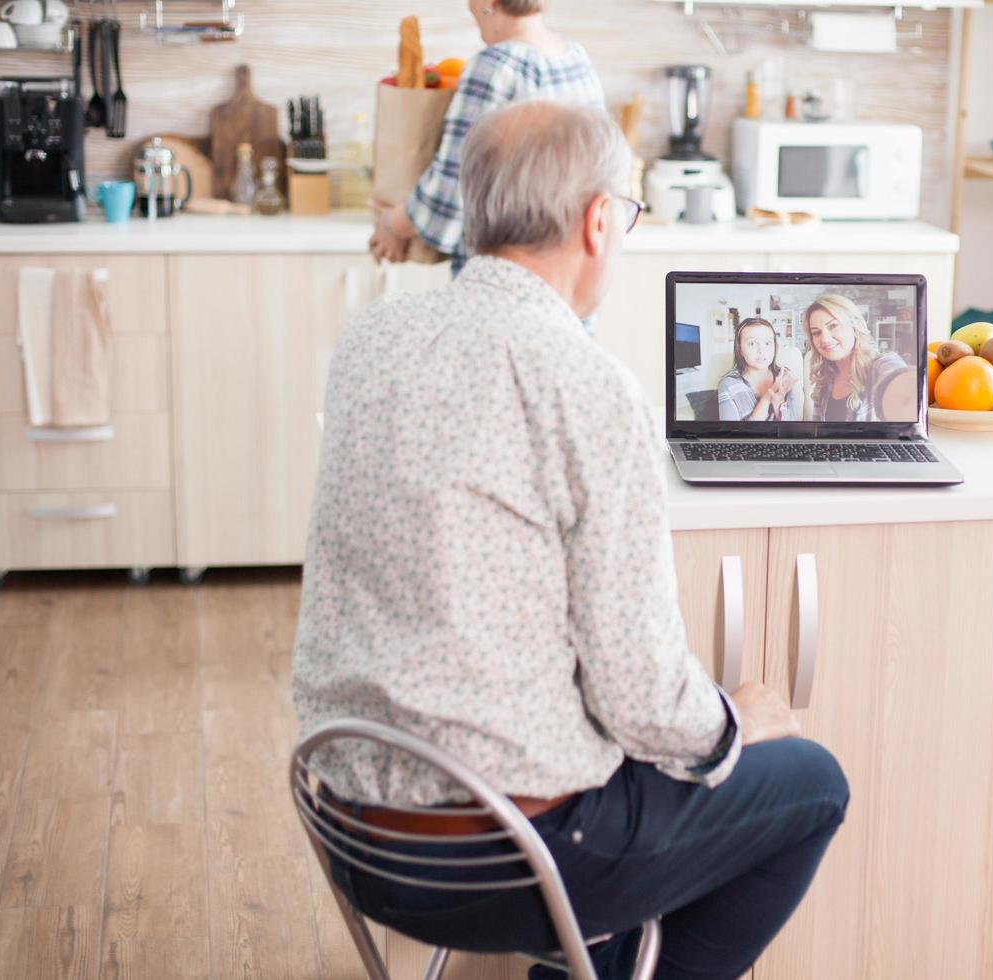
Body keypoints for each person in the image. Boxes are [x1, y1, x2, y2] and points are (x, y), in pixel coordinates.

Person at [294, 102, 848, 980]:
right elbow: (644, 698)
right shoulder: (586, 385)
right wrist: (743, 725)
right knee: (812, 784)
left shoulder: (371, 339)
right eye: (625, 215)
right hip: (507, 856)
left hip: (355, 833)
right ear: (597, 220)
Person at [370, 0, 605, 272]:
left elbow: (457, 179)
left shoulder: (496, 66)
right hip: (570, 266)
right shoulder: (575, 57)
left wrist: (393, 224)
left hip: (506, 269)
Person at [804, 293, 914, 422]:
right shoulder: (824, 379)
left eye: (833, 326)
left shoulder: (879, 364)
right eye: (816, 332)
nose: (824, 339)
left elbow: (897, 375)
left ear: (854, 327)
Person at [716, 317, 800, 421]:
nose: (761, 350)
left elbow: (793, 430)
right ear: (740, 350)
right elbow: (730, 434)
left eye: (767, 343)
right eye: (752, 343)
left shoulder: (784, 376)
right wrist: (766, 399)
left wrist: (779, 405)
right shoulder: (728, 384)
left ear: (775, 348)